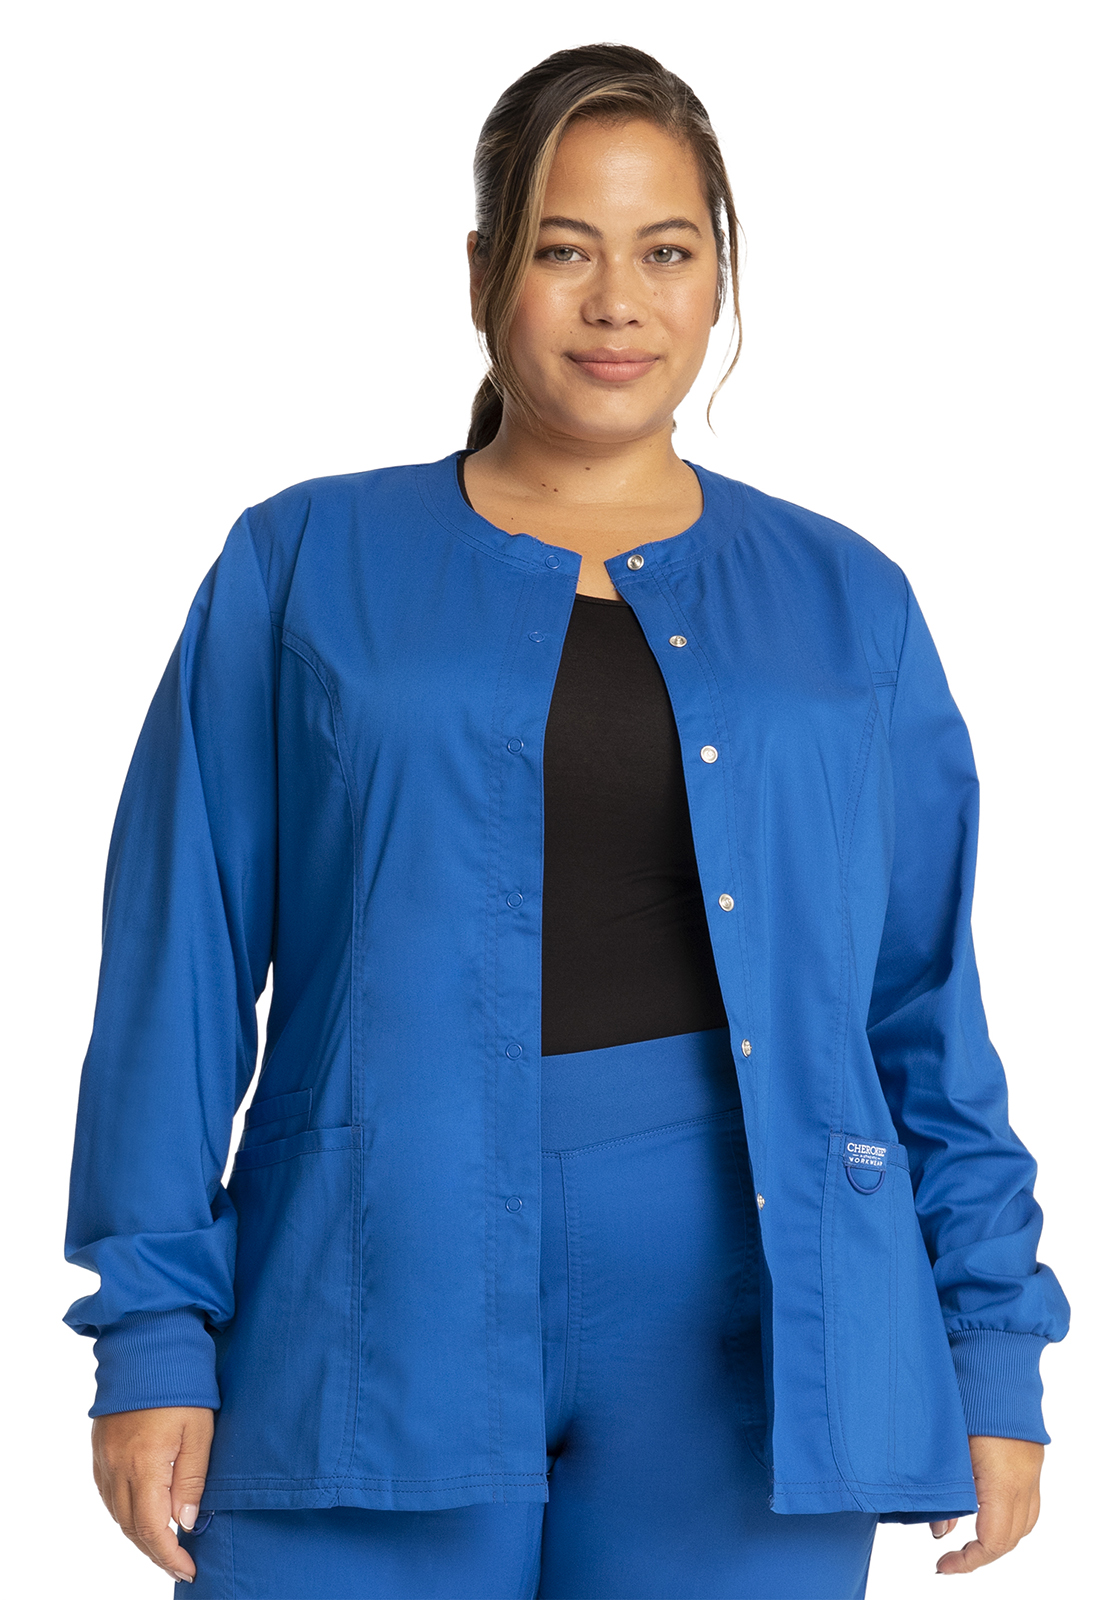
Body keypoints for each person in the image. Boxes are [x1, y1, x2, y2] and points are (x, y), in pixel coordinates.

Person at [64, 41, 1069, 1600]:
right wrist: (150, 1331)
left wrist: (992, 1336)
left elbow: (921, 1003)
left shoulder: (846, 602)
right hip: (364, 1306)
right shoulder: (304, 563)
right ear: (483, 275)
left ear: (719, 279)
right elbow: (176, 971)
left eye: (666, 253)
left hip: (756, 1342)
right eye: (563, 250)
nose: (618, 304)